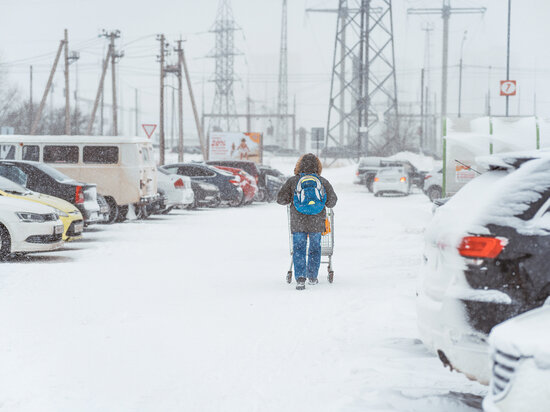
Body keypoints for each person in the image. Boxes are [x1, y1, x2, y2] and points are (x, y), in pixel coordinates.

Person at [277, 153, 338, 290]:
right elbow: (332, 202)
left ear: (299, 165)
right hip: (317, 221)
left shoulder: (293, 181)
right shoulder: (322, 181)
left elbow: (280, 199)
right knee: (315, 247)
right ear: (317, 166)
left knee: (299, 248)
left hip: (298, 221)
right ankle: (312, 277)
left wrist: (292, 199)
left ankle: (300, 278)